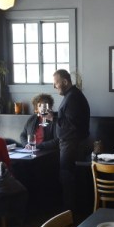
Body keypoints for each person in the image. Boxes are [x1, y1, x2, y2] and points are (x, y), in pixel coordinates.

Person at [38, 69, 90, 212]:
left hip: (72, 144)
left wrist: (52, 118)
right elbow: (68, 118)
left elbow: (72, 125)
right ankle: (73, 213)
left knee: (68, 179)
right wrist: (54, 115)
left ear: (65, 82)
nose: (55, 87)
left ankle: (69, 215)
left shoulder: (73, 98)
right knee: (71, 178)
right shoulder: (72, 96)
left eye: (56, 83)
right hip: (71, 144)